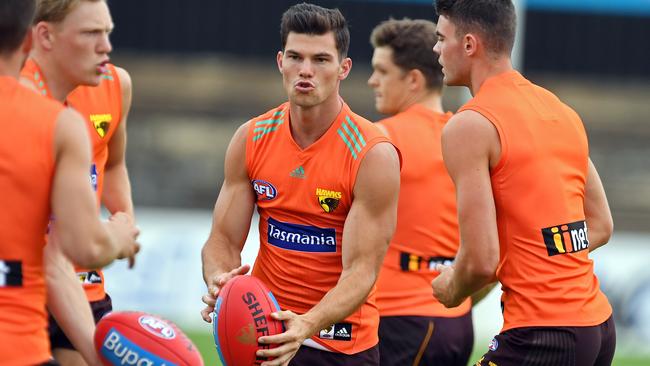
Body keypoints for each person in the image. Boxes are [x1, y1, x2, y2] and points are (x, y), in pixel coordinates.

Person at [201, 3, 400, 365]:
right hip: (266, 335)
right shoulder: (252, 137)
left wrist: (306, 325)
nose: (305, 71)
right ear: (280, 61)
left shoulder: (372, 153)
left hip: (339, 344)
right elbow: (222, 240)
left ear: (343, 68)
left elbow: (362, 271)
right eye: (295, 57)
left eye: (321, 59)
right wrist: (219, 281)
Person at [430, 1, 616, 365]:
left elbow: (481, 262)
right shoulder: (559, 110)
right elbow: (600, 225)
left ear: (469, 45)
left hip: (544, 334)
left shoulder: (469, 125)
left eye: (441, 38)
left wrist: (451, 289)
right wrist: (533, 259)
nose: (435, 48)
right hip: (597, 325)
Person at [0, 1, 139, 365]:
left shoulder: (114, 85)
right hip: (36, 289)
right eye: (91, 33)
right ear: (42, 36)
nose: (106, 45)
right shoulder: (43, 118)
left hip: (77, 284)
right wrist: (115, 239)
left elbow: (113, 164)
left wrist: (125, 217)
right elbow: (65, 253)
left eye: (107, 31)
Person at [367, 18, 473, 366]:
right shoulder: (471, 138)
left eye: (381, 71)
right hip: (456, 320)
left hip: (399, 320)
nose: (372, 81)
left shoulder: (380, 139)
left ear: (413, 79)